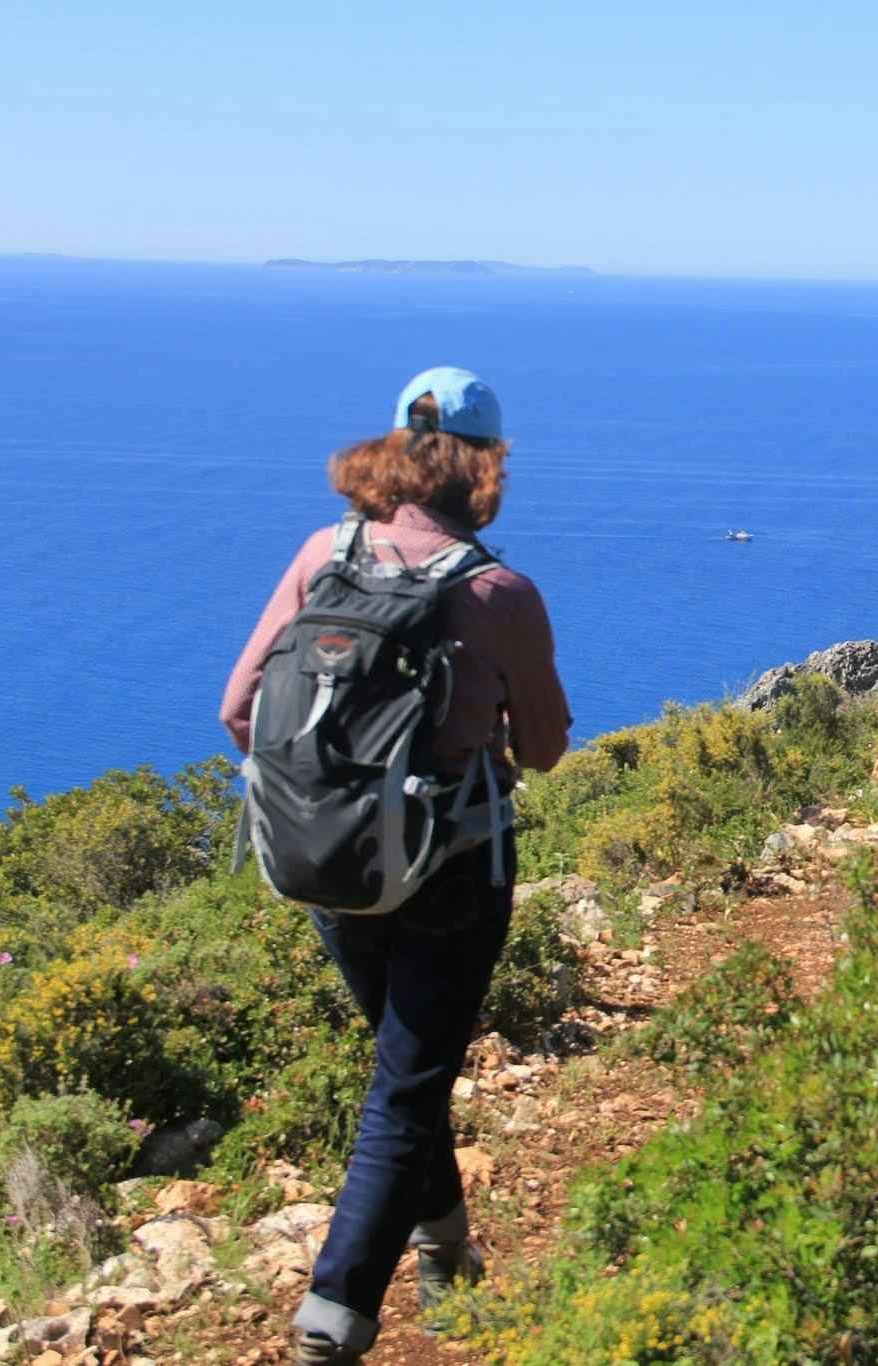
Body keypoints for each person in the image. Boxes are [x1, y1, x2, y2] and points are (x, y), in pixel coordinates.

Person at [220, 367, 572, 1365]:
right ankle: (334, 1317)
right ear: (484, 465)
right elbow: (544, 750)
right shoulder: (495, 588)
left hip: (323, 863)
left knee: (402, 1064)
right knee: (407, 1085)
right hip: (451, 868)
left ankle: (446, 1245)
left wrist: (323, 797)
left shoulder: (319, 555)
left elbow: (238, 710)